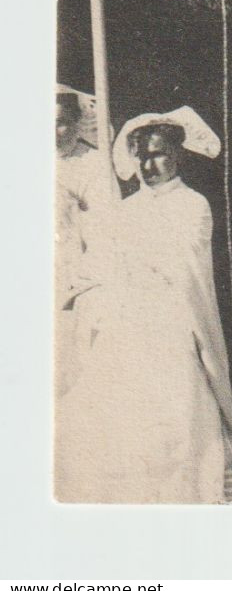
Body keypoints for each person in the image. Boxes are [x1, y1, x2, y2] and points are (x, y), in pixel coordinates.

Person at [57, 108, 232, 504]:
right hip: (125, 330)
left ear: (177, 154)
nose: (150, 164)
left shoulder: (192, 205)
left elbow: (183, 266)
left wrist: (133, 267)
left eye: (159, 153)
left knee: (177, 427)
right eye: (142, 155)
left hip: (173, 328)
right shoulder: (123, 211)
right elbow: (97, 267)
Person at [55, 85, 109, 395]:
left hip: (75, 285)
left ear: (77, 120)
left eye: (61, 122)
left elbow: (103, 233)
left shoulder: (92, 164)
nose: (54, 132)